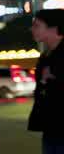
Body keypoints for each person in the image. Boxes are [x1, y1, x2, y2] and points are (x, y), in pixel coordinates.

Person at [30, 9, 64, 154]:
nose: (32, 29)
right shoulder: (45, 56)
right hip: (51, 126)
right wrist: (44, 81)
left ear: (54, 29)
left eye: (37, 25)